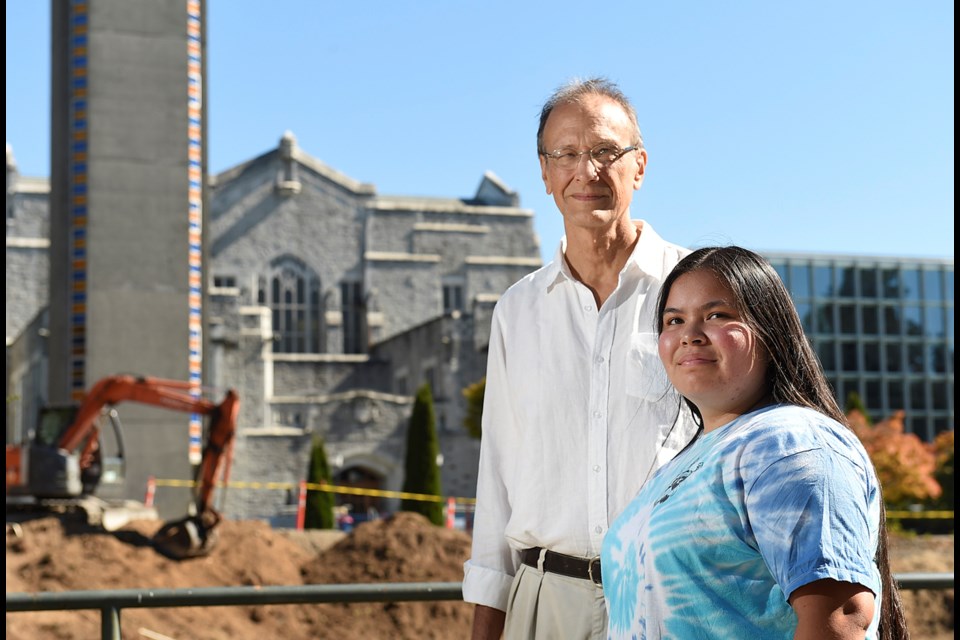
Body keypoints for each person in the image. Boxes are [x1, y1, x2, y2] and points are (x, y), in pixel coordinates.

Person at [462, 77, 700, 640]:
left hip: (674, 600)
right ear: (544, 174)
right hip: (546, 605)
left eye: (604, 152)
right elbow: (497, 476)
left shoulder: (698, 288)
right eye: (565, 154)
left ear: (639, 165)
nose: (585, 171)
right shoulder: (517, 310)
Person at [600, 246, 909, 640]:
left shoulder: (790, 444)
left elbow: (840, 618)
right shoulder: (689, 459)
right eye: (674, 320)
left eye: (717, 315)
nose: (689, 335)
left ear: (770, 330)